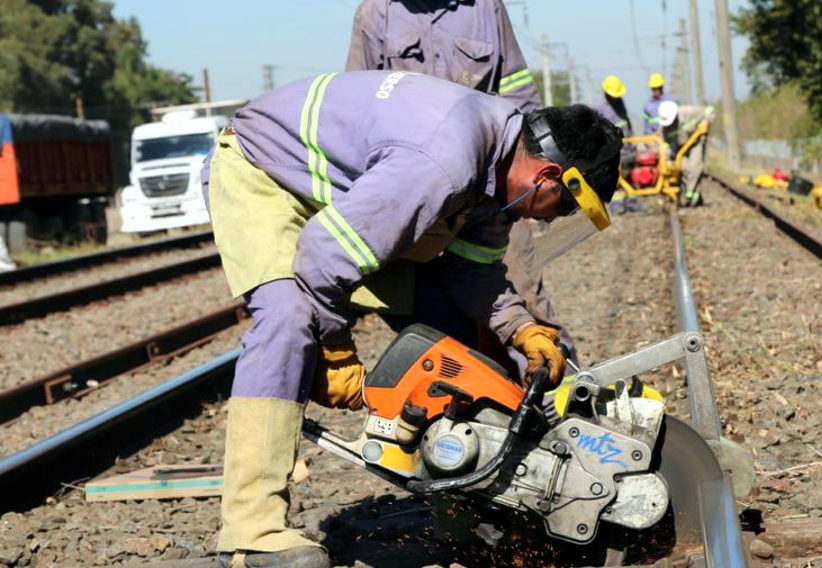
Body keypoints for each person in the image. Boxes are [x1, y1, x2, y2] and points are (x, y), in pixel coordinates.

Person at [205, 70, 622, 568]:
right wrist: (335, 349)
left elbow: (474, 273)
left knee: (452, 326)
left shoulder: (501, 168)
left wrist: (521, 327)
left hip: (340, 202)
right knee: (289, 317)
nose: (552, 220)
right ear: (548, 176)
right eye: (566, 206)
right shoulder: (442, 161)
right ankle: (251, 531)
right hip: (264, 174)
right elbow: (322, 255)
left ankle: (485, 487)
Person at [345, 0, 577, 373]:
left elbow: (520, 96)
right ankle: (476, 402)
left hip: (492, 192)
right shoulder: (377, 13)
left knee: (520, 295)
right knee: (436, 313)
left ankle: (557, 403)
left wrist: (533, 185)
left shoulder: (486, 7)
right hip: (417, 192)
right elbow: (359, 107)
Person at [660, 101, 714, 206]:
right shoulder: (665, 128)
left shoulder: (688, 112)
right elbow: (665, 145)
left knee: (695, 168)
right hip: (680, 149)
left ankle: (691, 196)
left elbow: (709, 110)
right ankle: (691, 195)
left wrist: (706, 122)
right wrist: (666, 160)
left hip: (695, 143)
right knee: (684, 169)